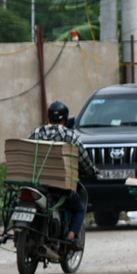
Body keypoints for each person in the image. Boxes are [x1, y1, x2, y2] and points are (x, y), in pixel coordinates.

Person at [27, 99, 87, 244]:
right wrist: (92, 170)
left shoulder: (36, 132)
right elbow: (83, 157)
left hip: (38, 183)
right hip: (61, 186)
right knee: (79, 209)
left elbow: (27, 151)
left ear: (48, 118)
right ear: (66, 120)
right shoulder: (70, 135)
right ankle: (70, 238)